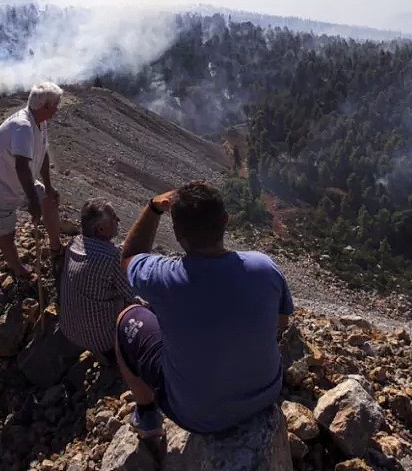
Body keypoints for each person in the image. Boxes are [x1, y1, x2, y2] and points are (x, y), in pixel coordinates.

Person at [115, 181, 294, 438]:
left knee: (127, 318)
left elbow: (129, 257)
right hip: (265, 394)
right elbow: (282, 322)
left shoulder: (163, 278)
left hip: (197, 416)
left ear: (177, 233)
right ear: (226, 220)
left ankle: (147, 417)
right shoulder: (264, 267)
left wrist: (153, 209)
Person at [0, 82, 64, 278]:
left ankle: (56, 248)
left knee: (49, 201)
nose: (58, 108)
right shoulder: (22, 127)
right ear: (45, 106)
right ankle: (18, 270)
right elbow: (21, 167)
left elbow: (43, 151)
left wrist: (48, 186)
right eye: (56, 104)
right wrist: (32, 201)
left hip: (19, 184)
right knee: (6, 232)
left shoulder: (40, 121)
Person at [58, 198, 137, 362]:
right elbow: (132, 294)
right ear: (100, 228)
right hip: (101, 341)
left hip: (68, 329)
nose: (118, 220)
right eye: (114, 218)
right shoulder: (111, 257)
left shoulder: (74, 243)